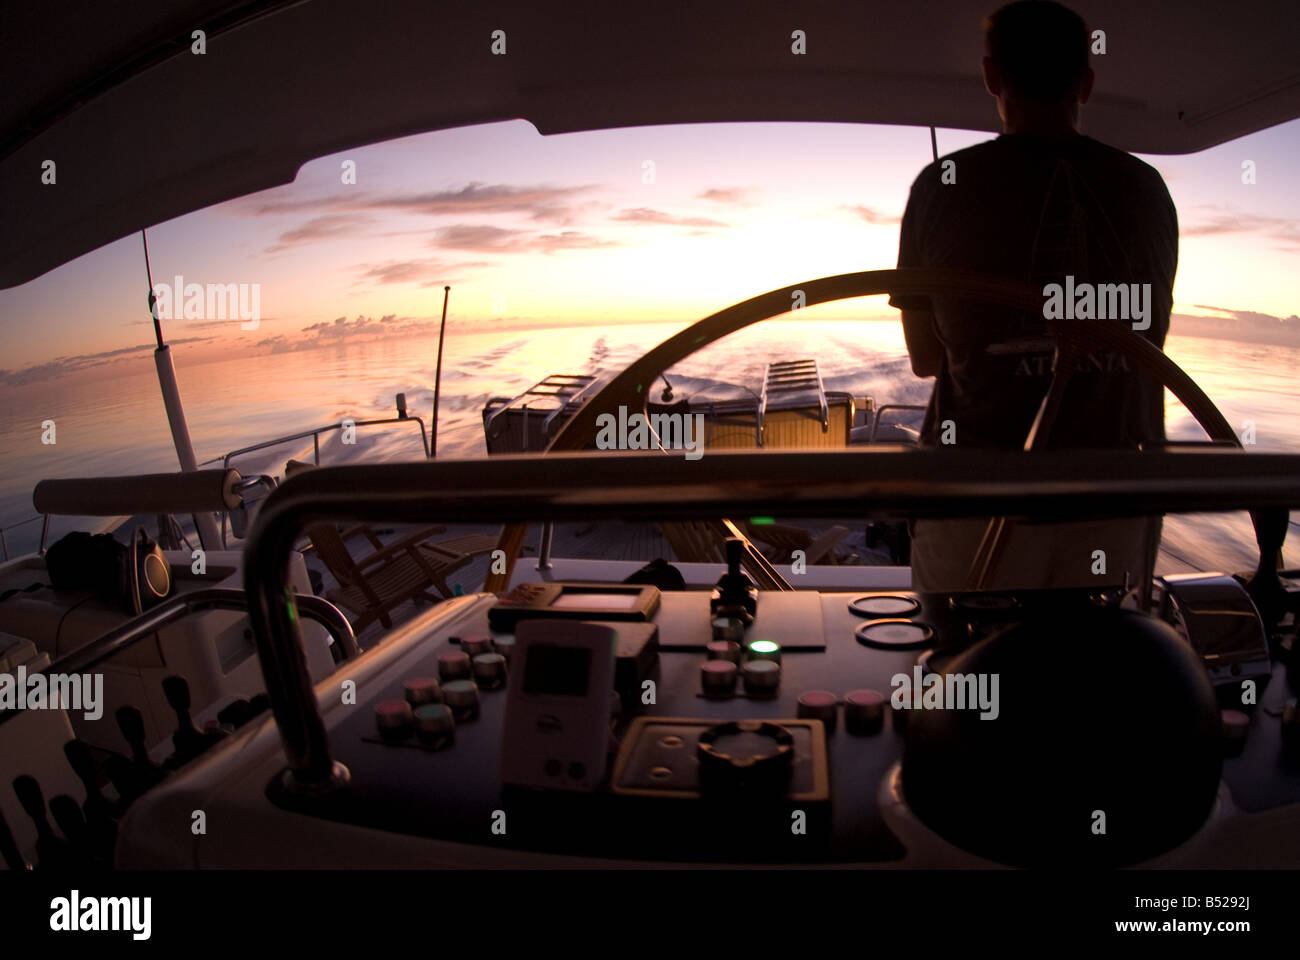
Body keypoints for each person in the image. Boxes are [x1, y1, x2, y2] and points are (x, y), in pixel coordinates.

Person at [889, 0, 1177, 592]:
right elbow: (1150, 349)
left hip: (976, 497)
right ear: (1087, 84)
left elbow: (924, 360)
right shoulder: (1147, 189)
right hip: (1116, 498)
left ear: (993, 77)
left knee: (966, 670)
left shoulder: (940, 185)